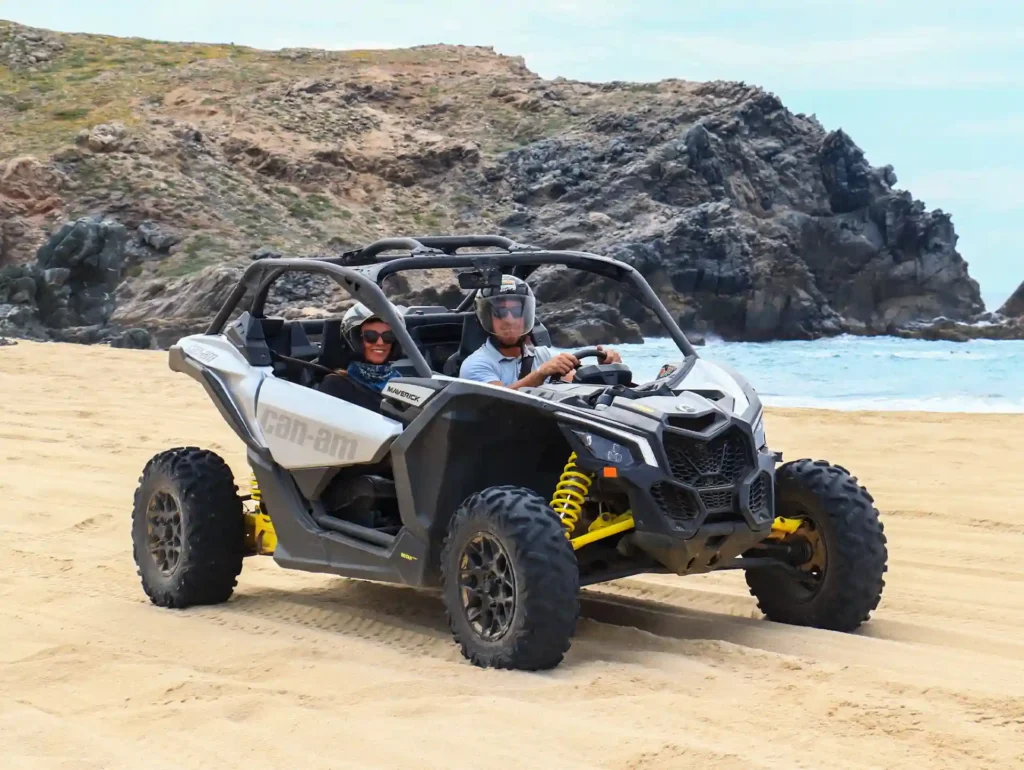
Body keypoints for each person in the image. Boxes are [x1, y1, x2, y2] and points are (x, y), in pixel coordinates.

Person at [458, 274, 621, 390]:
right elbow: (497, 403)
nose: (509, 319)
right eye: (500, 312)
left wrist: (607, 370)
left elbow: (581, 386)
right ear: (487, 317)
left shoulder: (544, 355)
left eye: (516, 312)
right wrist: (540, 375)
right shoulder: (475, 364)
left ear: (526, 316)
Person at [318, 303, 405, 411]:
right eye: (370, 336)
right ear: (355, 341)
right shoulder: (335, 385)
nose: (380, 342)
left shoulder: (402, 385)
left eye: (388, 336)